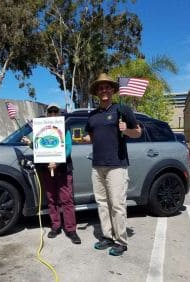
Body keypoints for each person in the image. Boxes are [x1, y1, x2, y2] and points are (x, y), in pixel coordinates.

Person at [84, 73, 141, 256]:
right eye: (101, 88)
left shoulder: (122, 110)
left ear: (113, 90)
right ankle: (107, 237)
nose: (104, 90)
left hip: (117, 165)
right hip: (97, 165)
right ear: (97, 92)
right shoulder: (92, 115)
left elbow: (138, 132)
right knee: (102, 203)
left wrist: (128, 130)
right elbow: (91, 136)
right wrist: (84, 138)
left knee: (117, 204)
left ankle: (121, 241)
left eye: (107, 87)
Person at [22, 103, 81, 244]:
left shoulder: (64, 126)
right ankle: (55, 226)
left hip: (62, 169)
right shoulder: (41, 127)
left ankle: (71, 229)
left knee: (66, 200)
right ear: (47, 113)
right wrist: (30, 143)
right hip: (46, 169)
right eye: (51, 111)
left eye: (56, 111)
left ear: (59, 113)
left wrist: (58, 162)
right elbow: (41, 146)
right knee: (52, 199)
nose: (53, 113)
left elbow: (68, 147)